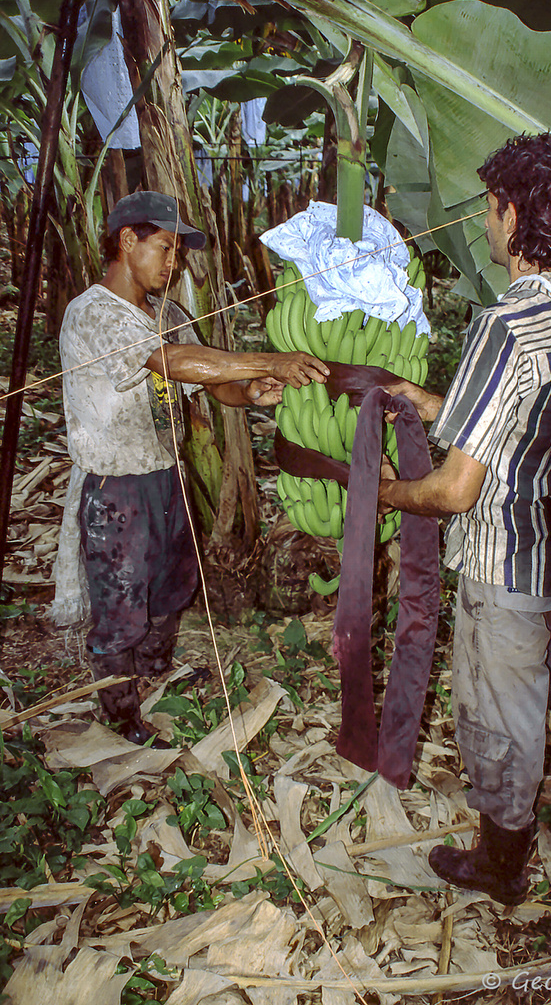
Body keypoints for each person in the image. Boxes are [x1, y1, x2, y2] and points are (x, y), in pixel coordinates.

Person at [379, 133, 551, 905]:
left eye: (491, 207)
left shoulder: (509, 321)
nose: (486, 222)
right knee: (520, 692)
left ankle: (502, 859)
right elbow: (539, 419)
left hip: (502, 561)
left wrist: (384, 491)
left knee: (500, 710)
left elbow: (456, 491)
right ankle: (506, 837)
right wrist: (422, 401)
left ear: (511, 213)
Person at [55, 190, 328, 743]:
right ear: (127, 241)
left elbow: (208, 378)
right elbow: (173, 361)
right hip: (116, 485)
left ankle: (154, 675)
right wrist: (270, 358)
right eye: (165, 246)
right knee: (121, 605)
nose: (173, 261)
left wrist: (250, 389)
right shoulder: (94, 314)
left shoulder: (167, 312)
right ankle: (118, 712)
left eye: (178, 250)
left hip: (164, 474)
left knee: (169, 588)